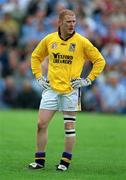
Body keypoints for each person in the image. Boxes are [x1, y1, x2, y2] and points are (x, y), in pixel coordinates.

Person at [29, 9, 106, 171]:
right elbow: (35, 57)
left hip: (71, 90)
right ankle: (39, 161)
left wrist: (88, 80)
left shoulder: (82, 41)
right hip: (51, 88)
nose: (72, 24)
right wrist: (38, 76)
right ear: (60, 22)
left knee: (69, 128)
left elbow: (99, 61)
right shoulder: (49, 39)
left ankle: (64, 163)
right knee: (41, 124)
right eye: (68, 21)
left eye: (74, 21)